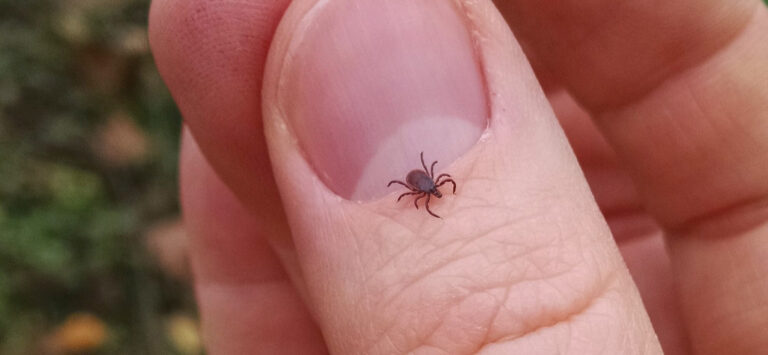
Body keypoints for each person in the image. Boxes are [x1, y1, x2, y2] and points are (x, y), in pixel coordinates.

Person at [149, 0, 768, 353]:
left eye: (432, 188)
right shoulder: (427, 182)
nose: (428, 189)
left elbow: (416, 181)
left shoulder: (423, 182)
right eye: (430, 188)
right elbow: (421, 181)